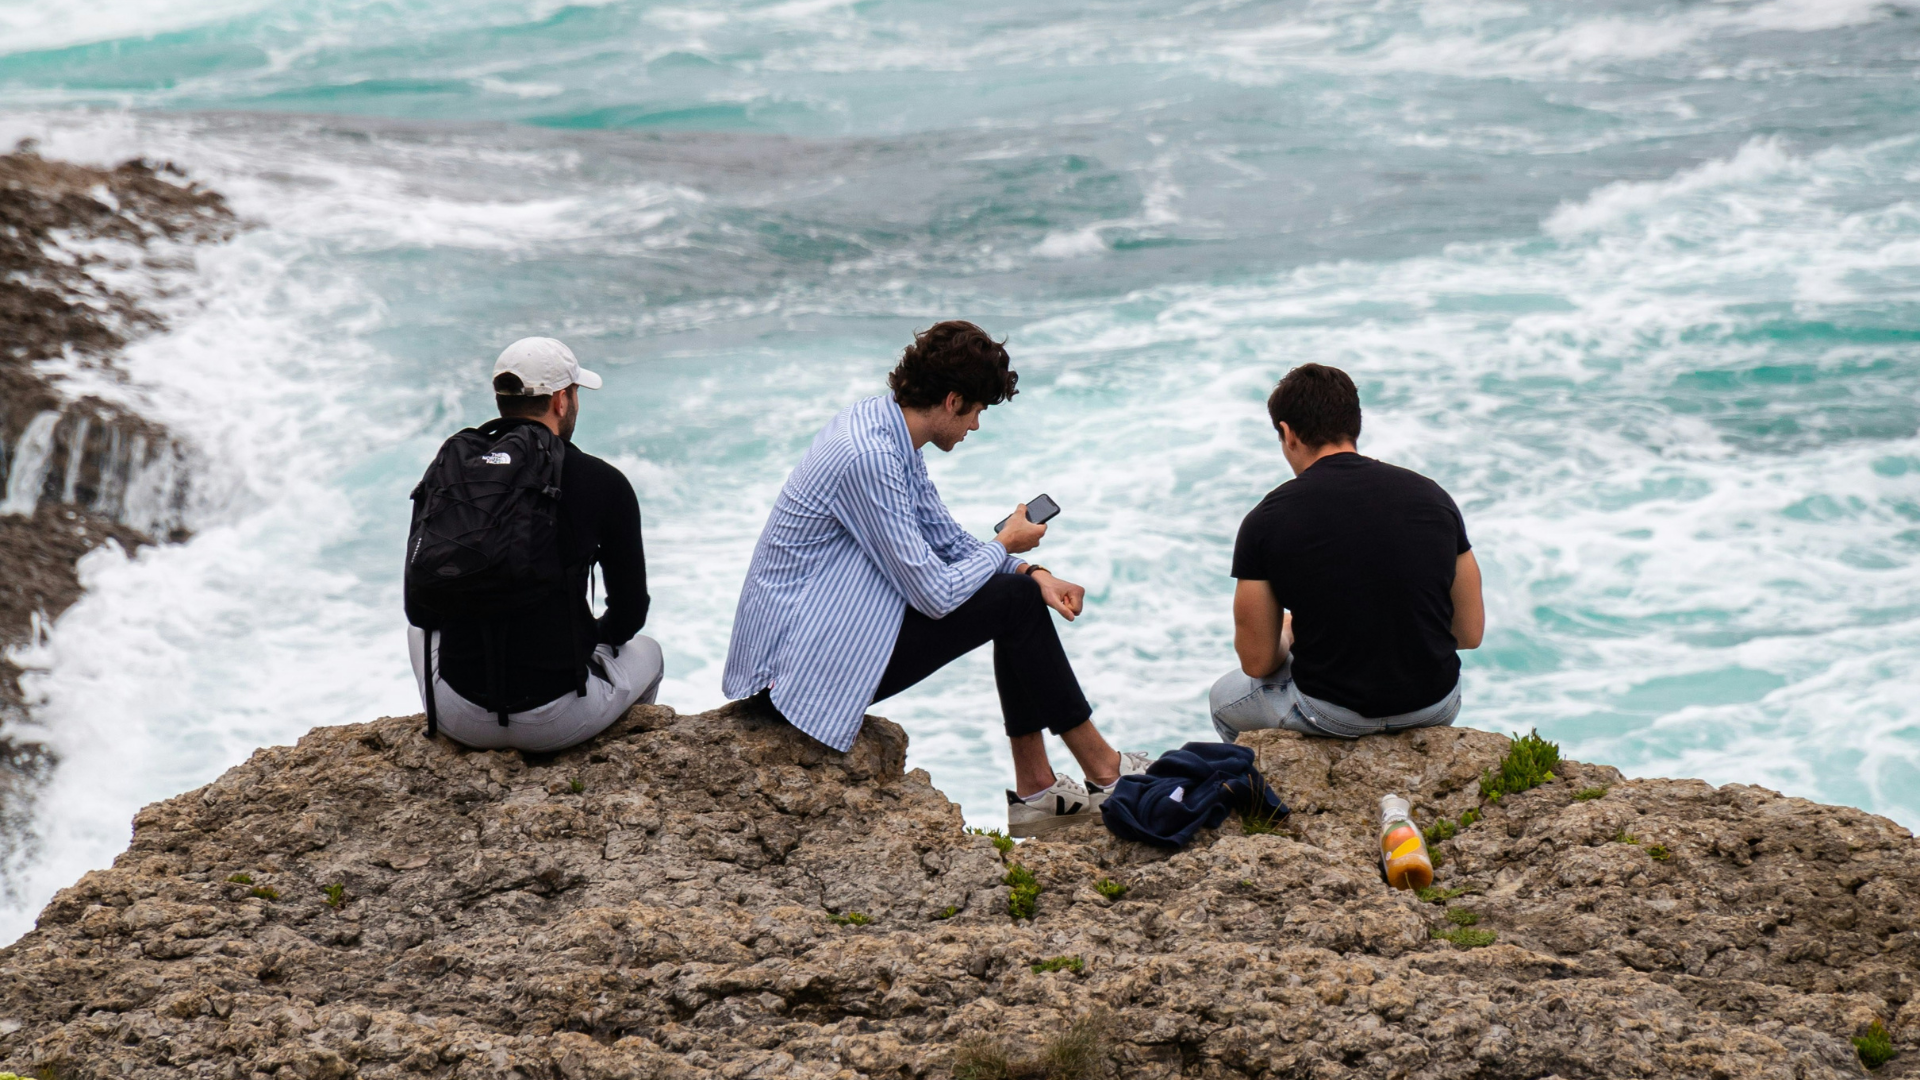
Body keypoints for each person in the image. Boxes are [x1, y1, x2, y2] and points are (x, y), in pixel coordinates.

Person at [724, 320, 1149, 836]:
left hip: (816, 639)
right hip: (796, 676)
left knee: (1017, 595)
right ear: (953, 401)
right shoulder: (870, 456)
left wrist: (1031, 570)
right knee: (1013, 602)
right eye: (977, 411)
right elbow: (935, 594)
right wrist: (1004, 545)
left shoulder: (884, 429)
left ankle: (1041, 791)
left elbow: (944, 538)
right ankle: (1104, 773)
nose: (976, 426)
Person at [405, 337, 662, 752]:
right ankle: (611, 756)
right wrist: (584, 640)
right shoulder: (604, 481)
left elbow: (419, 612)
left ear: (501, 399)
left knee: (418, 634)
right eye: (575, 393)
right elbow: (629, 615)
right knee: (650, 653)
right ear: (561, 401)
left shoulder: (451, 471)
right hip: (554, 719)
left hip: (458, 715)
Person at [1211, 363, 1484, 742]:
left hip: (1332, 712)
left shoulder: (1267, 518)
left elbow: (1257, 662)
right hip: (1435, 704)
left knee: (1222, 700)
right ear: (1354, 424)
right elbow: (1469, 632)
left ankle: (1272, 781)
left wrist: (1288, 633)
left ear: (1288, 433)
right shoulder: (1434, 498)